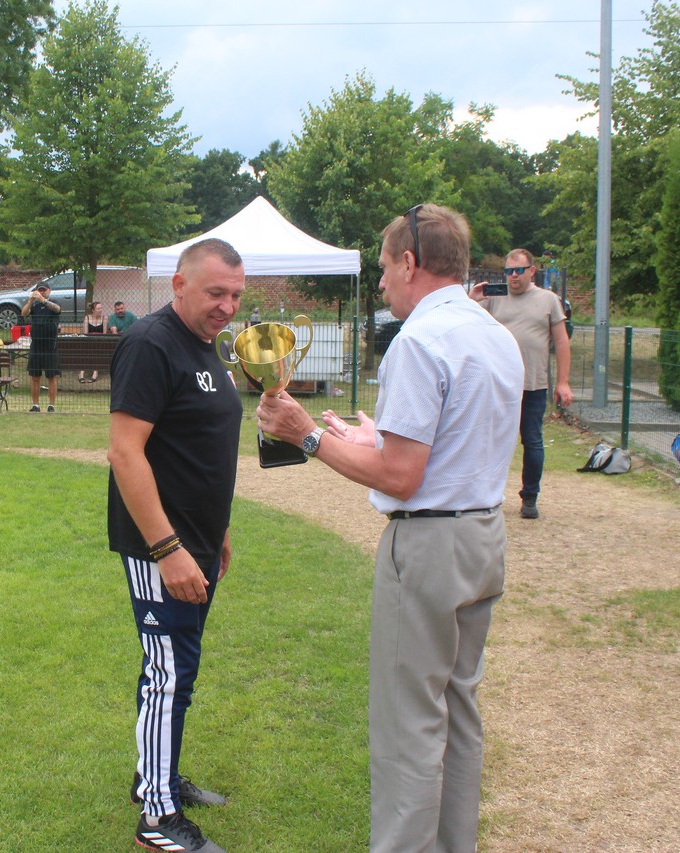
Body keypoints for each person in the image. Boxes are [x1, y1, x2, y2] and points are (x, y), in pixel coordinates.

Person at [257, 204, 523, 853]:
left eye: (383, 267)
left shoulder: (420, 340)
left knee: (409, 728)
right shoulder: (494, 334)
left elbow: (401, 476)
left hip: (429, 548)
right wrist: (376, 437)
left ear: (410, 262)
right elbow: (448, 444)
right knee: (459, 714)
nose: (380, 282)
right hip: (483, 537)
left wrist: (308, 434)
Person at [109, 237, 245, 853]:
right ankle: (157, 818)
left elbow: (198, 447)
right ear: (180, 285)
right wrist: (168, 549)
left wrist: (218, 532)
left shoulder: (205, 344)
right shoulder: (150, 344)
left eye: (236, 295)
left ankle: (156, 778)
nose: (227, 307)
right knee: (168, 672)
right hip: (160, 547)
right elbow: (125, 453)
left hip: (199, 540)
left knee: (178, 670)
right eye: (216, 292)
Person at [471, 248, 574, 519]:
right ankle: (484, 496)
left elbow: (561, 341)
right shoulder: (494, 298)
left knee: (532, 440)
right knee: (489, 441)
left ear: (532, 271)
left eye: (518, 270)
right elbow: (465, 322)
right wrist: (472, 298)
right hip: (499, 385)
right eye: (508, 271)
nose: (513, 276)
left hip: (532, 384)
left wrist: (563, 382)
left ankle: (530, 497)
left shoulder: (548, 300)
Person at [22, 282, 61, 412]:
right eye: (40, 290)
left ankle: (51, 405)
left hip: (50, 345)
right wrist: (30, 301)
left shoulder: (53, 302)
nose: (42, 292)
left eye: (44, 290)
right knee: (35, 376)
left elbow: (57, 309)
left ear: (49, 291)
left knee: (51, 376)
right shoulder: (34, 305)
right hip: (36, 345)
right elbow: (24, 313)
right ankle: (35, 405)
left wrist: (43, 300)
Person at [79, 301, 105, 383]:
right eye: (98, 308)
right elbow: (85, 333)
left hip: (100, 341)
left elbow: (104, 333)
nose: (100, 310)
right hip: (89, 340)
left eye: (101, 308)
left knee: (97, 350)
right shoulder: (87, 318)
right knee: (86, 350)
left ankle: (95, 372)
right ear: (93, 310)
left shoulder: (104, 318)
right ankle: (81, 373)